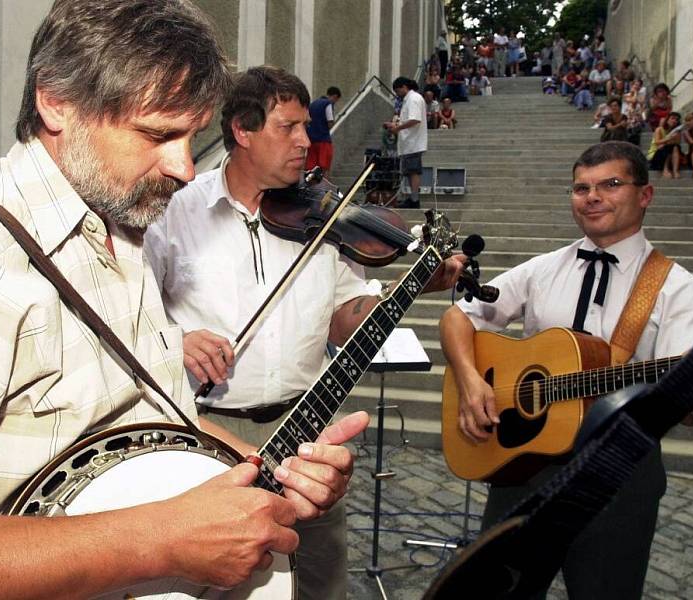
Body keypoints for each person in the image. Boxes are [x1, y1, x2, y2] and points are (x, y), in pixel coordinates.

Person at [0, 2, 368, 598]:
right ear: (57, 102)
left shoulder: (121, 227)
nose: (186, 168)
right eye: (157, 134)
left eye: (192, 137)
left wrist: (273, 467)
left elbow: (154, 423)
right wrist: (158, 542)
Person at [144, 66, 466, 600]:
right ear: (242, 132)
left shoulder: (323, 216)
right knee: (219, 581)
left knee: (320, 577)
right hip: (211, 431)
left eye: (306, 127)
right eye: (289, 127)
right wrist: (176, 339)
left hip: (310, 425)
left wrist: (409, 289)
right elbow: (129, 314)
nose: (307, 140)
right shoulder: (176, 210)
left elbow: (346, 313)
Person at [439, 141, 693, 600]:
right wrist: (471, 380)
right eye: (581, 188)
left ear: (645, 195)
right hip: (522, 464)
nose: (592, 196)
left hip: (617, 473)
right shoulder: (542, 268)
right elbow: (459, 317)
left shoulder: (680, 291)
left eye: (610, 184)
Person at [384, 76, 428, 209]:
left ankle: (414, 199)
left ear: (404, 87)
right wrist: (393, 125)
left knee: (413, 171)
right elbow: (408, 119)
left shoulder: (413, 99)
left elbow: (415, 119)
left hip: (413, 142)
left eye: (398, 91)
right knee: (409, 171)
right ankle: (412, 198)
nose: (397, 94)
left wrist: (397, 128)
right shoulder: (409, 99)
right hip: (409, 142)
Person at [305, 85, 341, 176]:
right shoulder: (328, 103)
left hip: (311, 140)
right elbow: (330, 121)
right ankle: (323, 187)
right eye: (336, 100)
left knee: (311, 167)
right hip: (323, 140)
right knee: (324, 167)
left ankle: (311, 188)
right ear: (335, 96)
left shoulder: (312, 104)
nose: (335, 102)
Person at [647, 111, 683, 178]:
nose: (674, 121)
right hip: (656, 155)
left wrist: (675, 137)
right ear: (667, 120)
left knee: (675, 147)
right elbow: (657, 142)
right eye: (672, 118)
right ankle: (665, 170)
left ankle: (675, 171)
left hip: (671, 153)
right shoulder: (659, 129)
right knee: (664, 146)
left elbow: (677, 143)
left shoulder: (676, 131)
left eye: (676, 119)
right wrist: (669, 139)